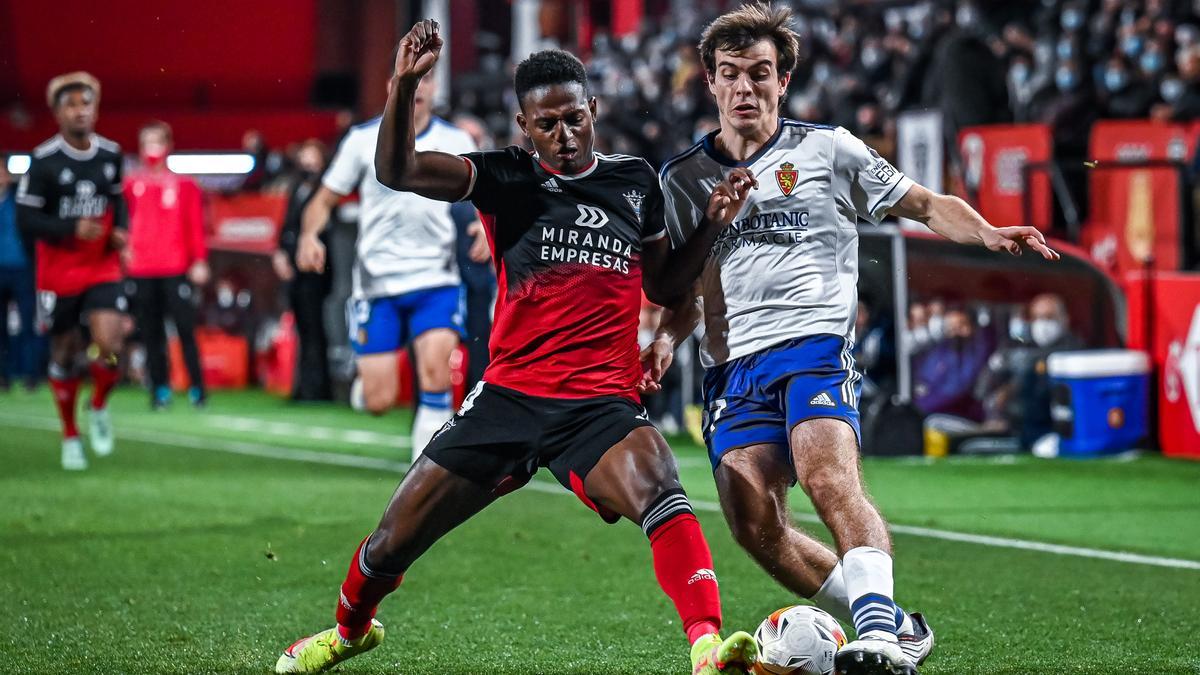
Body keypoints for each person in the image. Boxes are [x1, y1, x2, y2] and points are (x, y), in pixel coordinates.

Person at [274, 21, 759, 675]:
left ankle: (705, 643)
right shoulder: (505, 176)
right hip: (507, 398)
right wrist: (406, 85)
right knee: (392, 541)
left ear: (593, 110)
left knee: (663, 490)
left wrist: (710, 224)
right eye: (546, 123)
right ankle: (349, 629)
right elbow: (396, 169)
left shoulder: (634, 181)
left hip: (599, 403)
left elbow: (667, 283)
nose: (563, 135)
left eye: (573, 119)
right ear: (524, 124)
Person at [645, 5, 1059, 673]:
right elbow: (692, 282)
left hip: (813, 344)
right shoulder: (683, 179)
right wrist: (665, 339)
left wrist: (984, 230)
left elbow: (922, 203)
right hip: (731, 366)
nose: (744, 87)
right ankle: (892, 622)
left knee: (827, 474)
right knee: (755, 524)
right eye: (730, 75)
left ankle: (877, 639)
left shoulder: (828, 148)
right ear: (712, 84)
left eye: (759, 73)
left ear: (785, 79)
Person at [295, 60, 479, 460]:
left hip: (437, 280)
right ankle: (367, 386)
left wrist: (485, 224)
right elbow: (323, 200)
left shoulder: (457, 138)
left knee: (435, 377)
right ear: (391, 85)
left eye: (427, 78)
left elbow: (490, 193)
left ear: (434, 87)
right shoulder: (361, 140)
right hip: (377, 285)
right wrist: (309, 234)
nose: (419, 87)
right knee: (379, 400)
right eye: (409, 78)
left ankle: (425, 475)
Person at [16, 72, 129, 470]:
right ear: (57, 112)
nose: (81, 111)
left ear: (96, 109)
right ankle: (69, 434)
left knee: (110, 346)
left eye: (87, 103)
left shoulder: (111, 154)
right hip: (59, 273)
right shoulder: (44, 160)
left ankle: (97, 405)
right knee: (64, 354)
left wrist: (121, 231)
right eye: (72, 104)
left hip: (101, 266)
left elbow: (119, 199)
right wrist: (70, 228)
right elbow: (26, 220)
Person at [124, 121, 209, 409]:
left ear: (168, 146)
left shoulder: (186, 185)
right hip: (142, 268)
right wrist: (124, 253)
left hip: (176, 268)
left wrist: (199, 260)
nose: (152, 149)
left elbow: (195, 225)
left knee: (185, 329)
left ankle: (198, 388)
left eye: (157, 142)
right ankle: (160, 388)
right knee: (151, 333)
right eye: (147, 142)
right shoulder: (130, 184)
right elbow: (122, 226)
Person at [274, 139, 334, 401]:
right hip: (296, 273)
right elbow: (287, 227)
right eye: (305, 158)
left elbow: (322, 232)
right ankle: (302, 385)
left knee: (315, 328)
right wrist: (281, 254)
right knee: (302, 328)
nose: (308, 164)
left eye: (313, 158)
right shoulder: (296, 188)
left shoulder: (324, 192)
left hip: (314, 271)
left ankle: (317, 388)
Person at [0, 156, 39, 392]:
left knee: (28, 325)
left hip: (22, 270)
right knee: (0, 327)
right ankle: (3, 375)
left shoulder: (19, 201)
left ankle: (31, 375)